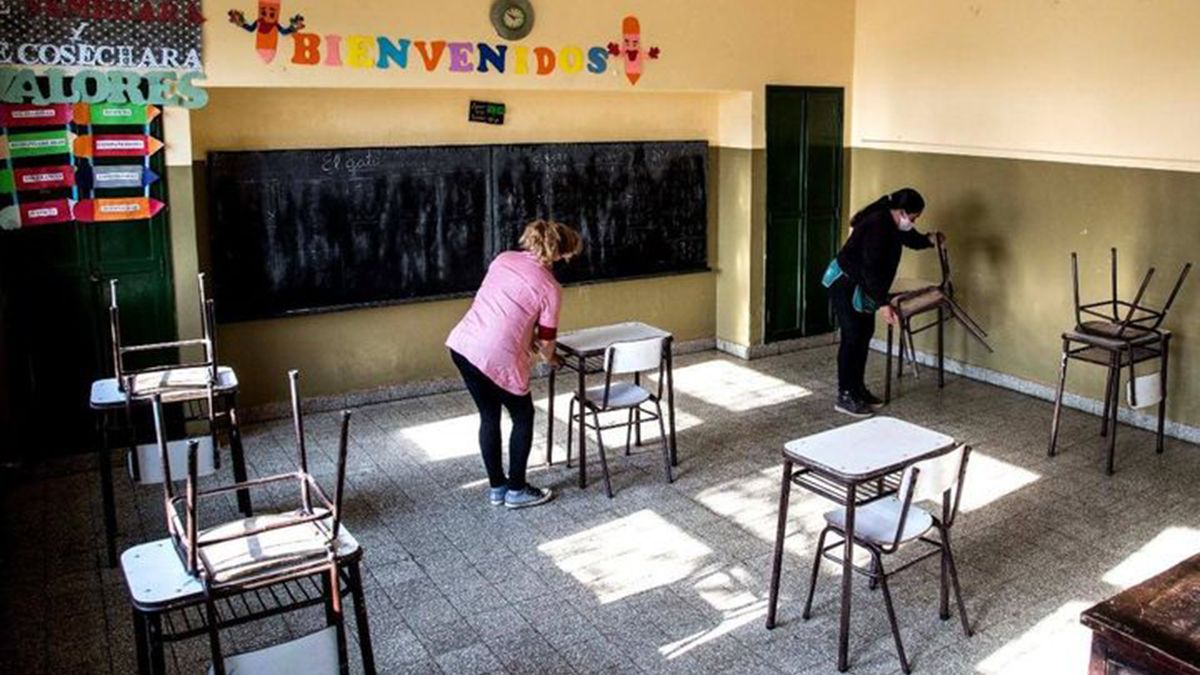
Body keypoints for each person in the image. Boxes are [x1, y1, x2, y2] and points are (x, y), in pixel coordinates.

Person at [446, 220, 583, 509]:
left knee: (489, 415)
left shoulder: (502, 260)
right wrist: (552, 359)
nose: (571, 259)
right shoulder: (551, 288)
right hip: (498, 355)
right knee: (523, 415)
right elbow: (547, 344)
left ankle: (498, 488)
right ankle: (517, 490)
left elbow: (506, 308)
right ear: (563, 252)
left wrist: (526, 334)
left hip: (463, 345)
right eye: (571, 254)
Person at [823, 188, 945, 417]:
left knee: (864, 333)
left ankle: (858, 388)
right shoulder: (878, 225)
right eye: (913, 217)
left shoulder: (894, 223)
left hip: (863, 284)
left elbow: (910, 237)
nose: (913, 221)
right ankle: (845, 394)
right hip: (845, 283)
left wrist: (929, 239)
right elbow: (869, 269)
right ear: (901, 212)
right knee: (852, 337)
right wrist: (882, 304)